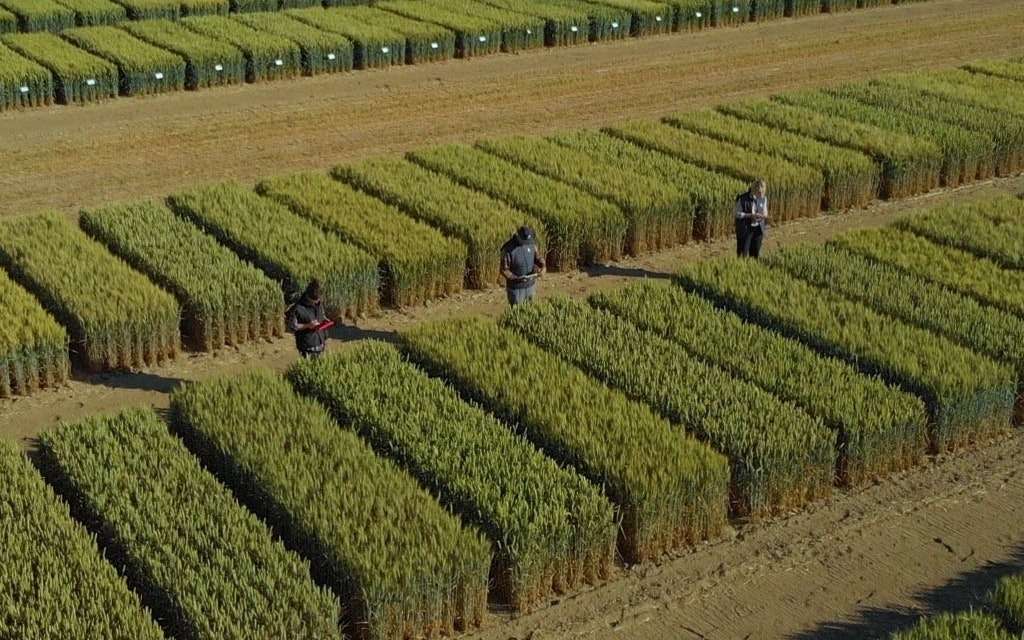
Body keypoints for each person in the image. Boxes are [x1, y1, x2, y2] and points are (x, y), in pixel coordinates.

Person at [501, 225, 545, 306]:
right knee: (517, 313)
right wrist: (516, 278)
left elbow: (538, 258)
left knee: (531, 310)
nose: (526, 244)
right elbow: (504, 269)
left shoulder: (531, 243)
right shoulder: (508, 249)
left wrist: (543, 266)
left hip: (531, 285)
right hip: (516, 289)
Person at [287, 280, 329, 359]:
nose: (318, 302)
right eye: (315, 301)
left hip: (320, 343)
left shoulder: (318, 302)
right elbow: (291, 327)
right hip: (307, 348)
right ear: (309, 298)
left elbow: (321, 314)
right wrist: (308, 325)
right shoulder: (297, 308)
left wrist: (325, 320)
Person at [735, 179, 769, 258]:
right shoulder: (742, 198)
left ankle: (753, 267)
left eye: (763, 192)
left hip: (758, 228)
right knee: (743, 253)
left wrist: (764, 215)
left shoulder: (763, 198)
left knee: (756, 252)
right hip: (745, 229)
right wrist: (750, 215)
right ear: (754, 190)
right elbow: (737, 214)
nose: (761, 194)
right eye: (759, 192)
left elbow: (765, 211)